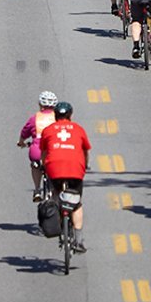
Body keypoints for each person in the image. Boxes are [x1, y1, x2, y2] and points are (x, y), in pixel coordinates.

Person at [37, 100, 91, 252]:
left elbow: (44, 153)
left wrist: (43, 166)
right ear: (70, 115)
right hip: (75, 169)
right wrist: (85, 165)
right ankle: (79, 241)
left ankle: (58, 216)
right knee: (77, 203)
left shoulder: (48, 130)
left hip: (54, 168)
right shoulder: (78, 129)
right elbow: (85, 151)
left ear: (55, 115)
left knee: (55, 194)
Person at [17, 91, 61, 199]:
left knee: (35, 165)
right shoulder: (59, 118)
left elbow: (24, 133)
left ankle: (37, 189)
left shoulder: (34, 119)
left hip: (38, 151)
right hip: (55, 151)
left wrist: (21, 142)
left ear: (40, 104)